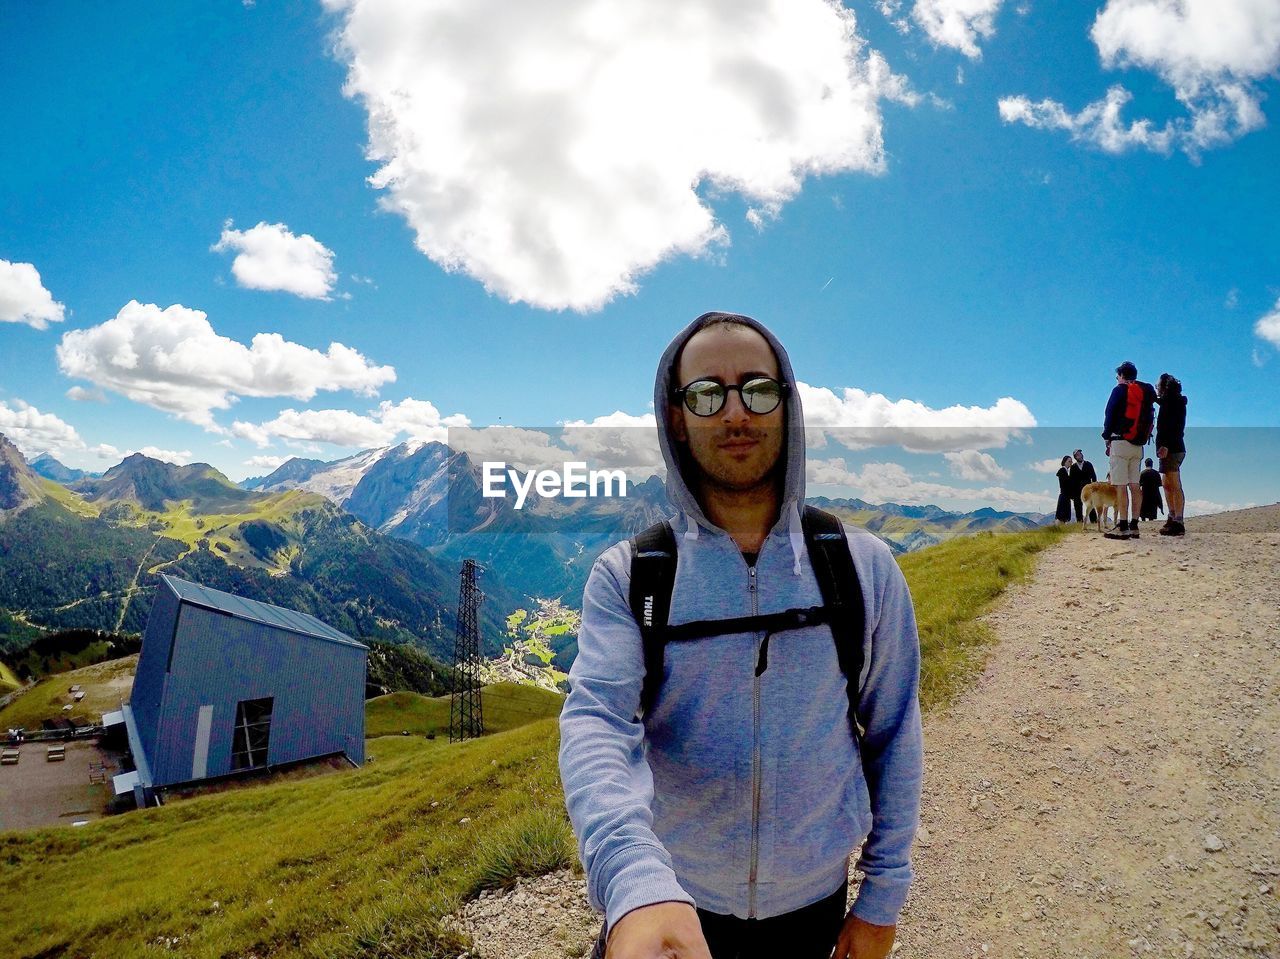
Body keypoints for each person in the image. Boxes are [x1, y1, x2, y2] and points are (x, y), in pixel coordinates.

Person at [560, 311, 923, 959]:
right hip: (674, 896)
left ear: (788, 406)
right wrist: (635, 880)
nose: (735, 412)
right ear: (676, 417)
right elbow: (596, 728)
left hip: (816, 906)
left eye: (757, 388)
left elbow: (894, 732)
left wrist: (882, 894)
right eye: (707, 393)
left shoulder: (861, 567)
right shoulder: (634, 575)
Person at [1101, 361, 1156, 540]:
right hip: (1138, 444)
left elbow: (1109, 414)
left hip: (1120, 442)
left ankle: (1122, 526)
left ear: (1121, 375)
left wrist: (1106, 436)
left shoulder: (1119, 390)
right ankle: (1134, 525)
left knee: (1121, 485)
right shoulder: (1143, 393)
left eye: (1117, 376)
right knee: (1135, 485)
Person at [1155, 373, 1188, 536]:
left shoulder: (1174, 403)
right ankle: (1172, 516)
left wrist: (1165, 445)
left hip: (1172, 448)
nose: (1156, 387)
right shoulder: (1169, 402)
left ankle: (1178, 521)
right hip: (1169, 449)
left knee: (1174, 484)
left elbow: (1174, 426)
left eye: (1158, 385)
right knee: (1167, 484)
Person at [1072, 449, 1098, 524]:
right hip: (1077, 489)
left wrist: (1094, 488)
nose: (1080, 455)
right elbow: (1072, 480)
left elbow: (1094, 476)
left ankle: (1094, 522)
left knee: (1090, 505)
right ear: (1075, 457)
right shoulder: (1073, 467)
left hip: (1088, 489)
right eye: (1077, 454)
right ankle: (1079, 522)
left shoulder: (1088, 464)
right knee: (1078, 506)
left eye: (1080, 453)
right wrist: (1073, 493)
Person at [1055, 455, 1074, 524]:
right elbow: (1065, 485)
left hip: (1065, 495)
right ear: (1064, 462)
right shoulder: (1062, 470)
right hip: (1064, 495)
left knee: (1064, 514)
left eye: (1071, 461)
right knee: (1061, 514)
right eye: (1069, 461)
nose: (1070, 463)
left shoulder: (1065, 471)